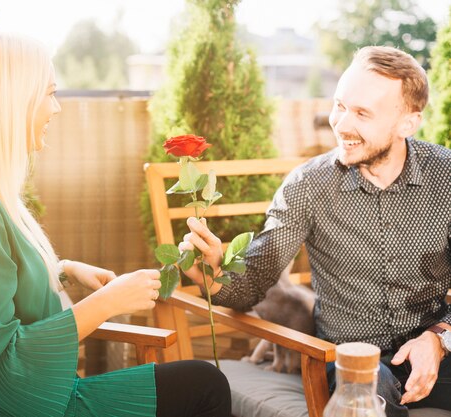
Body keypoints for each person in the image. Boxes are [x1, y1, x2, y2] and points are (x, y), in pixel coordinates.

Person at [0, 27, 231, 417]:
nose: (56, 107)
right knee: (204, 388)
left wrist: (60, 270)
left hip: (14, 398)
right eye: (49, 93)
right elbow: (1, 372)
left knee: (203, 383)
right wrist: (107, 303)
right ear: (12, 100)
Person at [180, 46, 451, 417]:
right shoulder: (308, 185)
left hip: (437, 351)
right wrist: (214, 276)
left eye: (361, 113)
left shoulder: (446, 177)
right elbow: (255, 278)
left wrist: (438, 339)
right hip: (351, 364)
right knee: (363, 404)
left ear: (407, 123)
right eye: (340, 105)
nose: (340, 124)